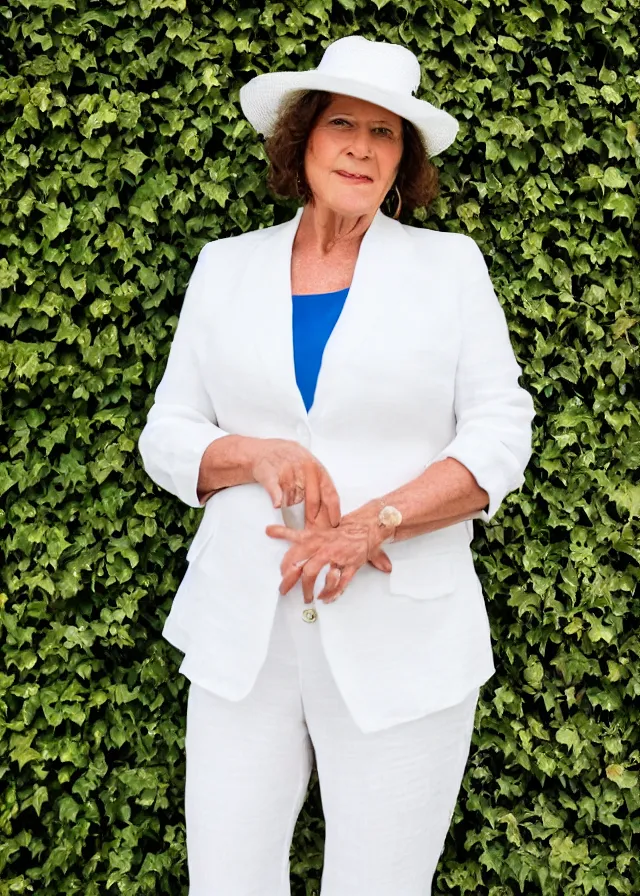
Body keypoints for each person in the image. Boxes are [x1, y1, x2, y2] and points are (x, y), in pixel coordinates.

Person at [137, 34, 536, 896]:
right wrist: (248, 451)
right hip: (242, 631)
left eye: (385, 132)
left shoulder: (448, 269)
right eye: (342, 123)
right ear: (302, 140)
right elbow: (166, 430)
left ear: (403, 160)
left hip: (404, 634)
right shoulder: (224, 268)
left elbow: (501, 431)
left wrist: (374, 521)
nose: (361, 145)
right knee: (227, 882)